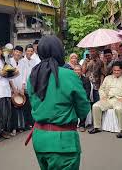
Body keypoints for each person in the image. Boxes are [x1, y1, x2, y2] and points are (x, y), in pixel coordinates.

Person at [26, 35, 90, 169]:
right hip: (63, 142)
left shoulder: (34, 75)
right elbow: (83, 108)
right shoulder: (69, 75)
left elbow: (34, 103)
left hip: (40, 139)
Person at [89, 61, 122, 138]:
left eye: (118, 70)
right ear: (112, 70)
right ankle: (97, 127)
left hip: (120, 100)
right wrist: (103, 96)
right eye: (114, 70)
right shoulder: (108, 78)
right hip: (108, 99)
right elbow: (101, 89)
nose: (116, 72)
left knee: (119, 108)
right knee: (95, 106)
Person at [9, 46, 26, 135]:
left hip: (21, 88)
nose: (18, 54)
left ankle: (21, 126)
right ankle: (13, 128)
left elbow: (24, 75)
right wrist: (14, 88)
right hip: (13, 89)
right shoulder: (9, 62)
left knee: (21, 107)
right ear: (13, 52)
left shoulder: (23, 62)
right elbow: (9, 77)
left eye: (20, 52)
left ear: (21, 54)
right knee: (13, 109)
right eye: (16, 51)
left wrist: (22, 88)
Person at [22, 44, 38, 129]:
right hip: (24, 86)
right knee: (26, 106)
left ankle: (32, 122)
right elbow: (23, 75)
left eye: (31, 51)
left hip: (32, 86)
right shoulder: (22, 61)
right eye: (28, 51)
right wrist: (23, 85)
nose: (30, 52)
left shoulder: (34, 61)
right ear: (25, 51)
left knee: (32, 105)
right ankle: (26, 123)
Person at [74, 65, 91, 132]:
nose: (77, 71)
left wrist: (82, 98)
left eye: (78, 70)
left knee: (82, 105)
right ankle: (72, 124)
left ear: (81, 71)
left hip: (82, 98)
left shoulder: (85, 79)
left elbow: (87, 91)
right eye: (75, 70)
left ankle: (82, 125)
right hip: (73, 98)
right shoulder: (71, 79)